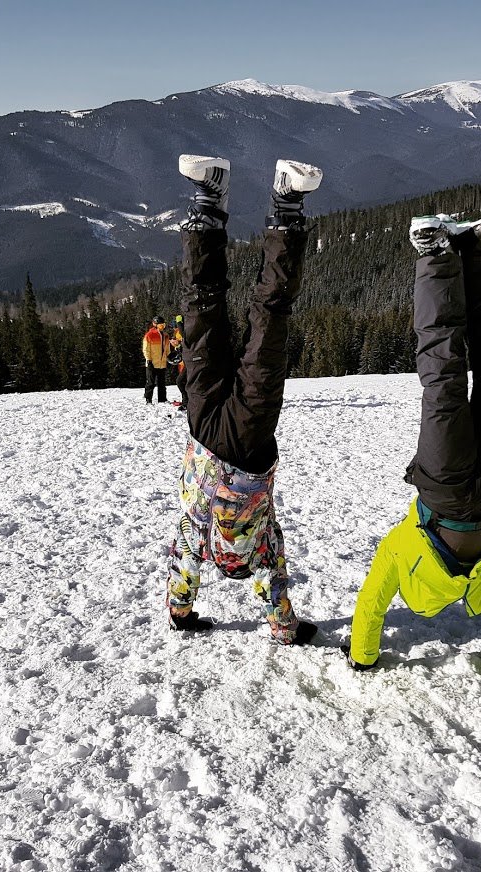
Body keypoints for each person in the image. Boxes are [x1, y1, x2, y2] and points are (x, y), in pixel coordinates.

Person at [342, 204, 481, 674]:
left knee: (445, 378)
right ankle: (476, 253)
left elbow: (371, 605)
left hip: (444, 492)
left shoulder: (397, 557)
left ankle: (433, 256)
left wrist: (362, 657)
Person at [166, 153, 322, 645]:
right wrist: (181, 612)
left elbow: (188, 570)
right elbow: (265, 589)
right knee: (231, 315)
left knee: (219, 314)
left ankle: (211, 198)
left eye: (227, 557)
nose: (231, 553)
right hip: (232, 436)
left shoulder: (207, 541)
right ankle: (285, 206)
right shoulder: (261, 550)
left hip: (214, 427)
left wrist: (182, 615)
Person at [143, 315, 169, 404]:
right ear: (155, 324)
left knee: (162, 383)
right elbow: (146, 349)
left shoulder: (165, 335)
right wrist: (148, 360)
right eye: (160, 325)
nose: (162, 326)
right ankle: (148, 399)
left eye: (163, 325)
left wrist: (169, 357)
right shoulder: (149, 335)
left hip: (162, 363)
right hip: (152, 363)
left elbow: (167, 349)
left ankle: (162, 399)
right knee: (151, 382)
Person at [168, 314, 188, 410]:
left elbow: (187, 345)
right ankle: (187, 401)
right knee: (184, 382)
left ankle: (186, 402)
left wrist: (178, 345)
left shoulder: (181, 332)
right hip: (184, 362)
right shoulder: (178, 333)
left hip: (188, 362)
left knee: (180, 381)